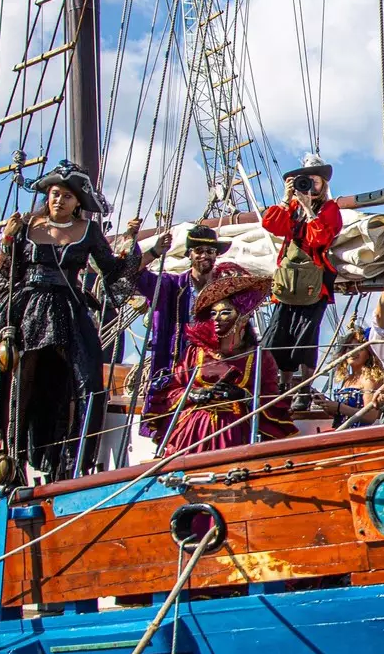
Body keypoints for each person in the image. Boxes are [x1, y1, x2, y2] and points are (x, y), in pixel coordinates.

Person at [0, 162, 139, 489]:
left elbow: (111, 271)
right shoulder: (25, 226)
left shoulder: (88, 232)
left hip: (68, 311)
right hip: (24, 311)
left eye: (67, 196)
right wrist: (7, 242)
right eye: (55, 194)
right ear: (47, 195)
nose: (60, 201)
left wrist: (132, 247)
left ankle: (75, 464)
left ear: (77, 202)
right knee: (17, 380)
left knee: (87, 381)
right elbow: (2, 275)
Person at [160, 271, 296, 453]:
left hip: (236, 430)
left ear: (243, 317)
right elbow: (173, 389)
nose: (216, 318)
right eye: (213, 313)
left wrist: (244, 395)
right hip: (193, 431)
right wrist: (193, 395)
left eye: (225, 313)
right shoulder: (196, 352)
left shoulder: (260, 357)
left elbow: (272, 399)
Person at [134, 223, 246, 440]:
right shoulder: (171, 285)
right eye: (199, 251)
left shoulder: (226, 289)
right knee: (175, 422)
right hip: (179, 364)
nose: (205, 256)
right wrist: (155, 251)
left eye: (211, 251)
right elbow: (135, 274)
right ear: (189, 254)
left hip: (216, 363)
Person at [260, 153, 343, 393]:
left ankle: (304, 388)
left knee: (306, 336)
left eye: (314, 181)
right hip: (289, 280)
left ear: (323, 184)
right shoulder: (292, 206)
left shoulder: (329, 208)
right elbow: (272, 225)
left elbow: (320, 238)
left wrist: (309, 211)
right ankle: (283, 382)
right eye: (304, 180)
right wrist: (286, 200)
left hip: (315, 281)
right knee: (280, 333)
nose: (310, 186)